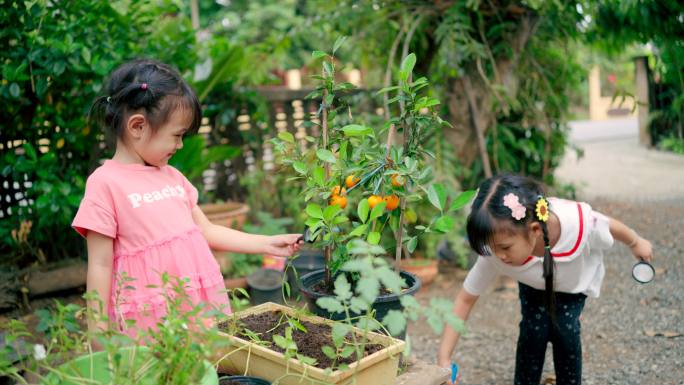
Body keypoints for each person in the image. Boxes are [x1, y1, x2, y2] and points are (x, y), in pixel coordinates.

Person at [72, 59, 302, 337]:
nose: (180, 145)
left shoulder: (172, 177)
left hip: (195, 305)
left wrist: (268, 243)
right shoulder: (105, 184)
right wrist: (98, 332)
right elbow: (100, 264)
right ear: (137, 126)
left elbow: (206, 231)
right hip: (149, 314)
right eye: (177, 135)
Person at [437, 174, 653, 385]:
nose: (498, 255)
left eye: (504, 248)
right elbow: (465, 299)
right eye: (491, 247)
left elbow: (608, 225)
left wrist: (635, 242)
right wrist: (444, 359)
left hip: (571, 289)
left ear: (535, 230)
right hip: (532, 286)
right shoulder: (495, 251)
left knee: (566, 333)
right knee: (532, 332)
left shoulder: (576, 222)